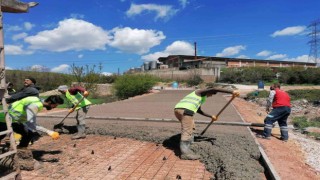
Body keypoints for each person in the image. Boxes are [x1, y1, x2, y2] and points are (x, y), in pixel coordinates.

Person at [174, 87, 239, 160]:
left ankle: (189, 144)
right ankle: (185, 153)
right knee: (187, 130)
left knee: (191, 126)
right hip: (186, 111)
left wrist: (211, 116)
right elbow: (214, 89)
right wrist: (232, 91)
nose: (211, 95)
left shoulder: (201, 98)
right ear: (208, 91)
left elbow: (199, 110)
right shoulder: (199, 92)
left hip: (178, 110)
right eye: (212, 94)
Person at [0, 95, 64, 148]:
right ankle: (21, 151)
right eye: (55, 105)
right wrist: (49, 132)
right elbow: (31, 124)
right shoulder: (35, 105)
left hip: (13, 119)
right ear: (50, 102)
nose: (55, 107)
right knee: (2, 134)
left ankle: (21, 151)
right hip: (4, 120)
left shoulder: (36, 99)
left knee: (28, 134)